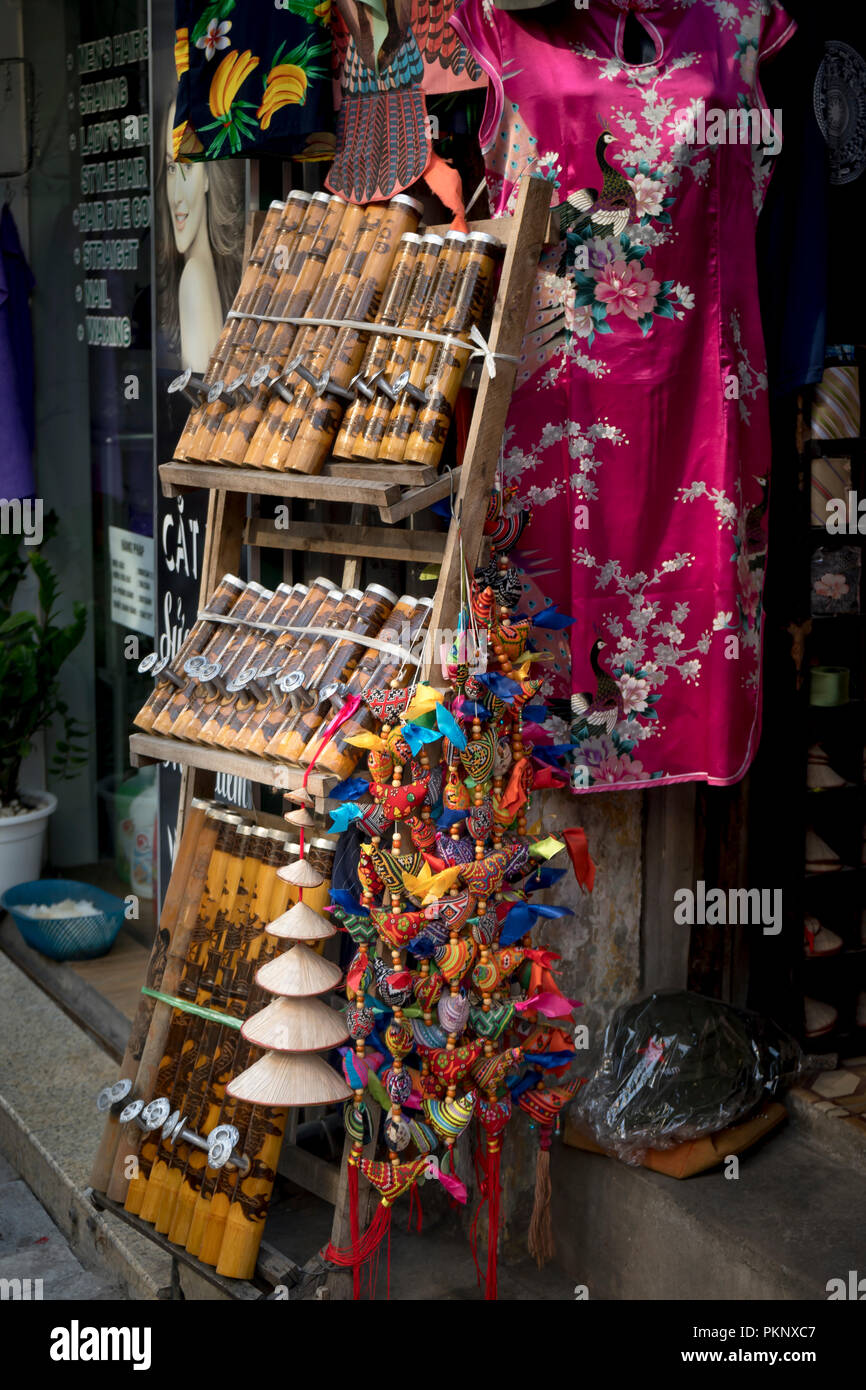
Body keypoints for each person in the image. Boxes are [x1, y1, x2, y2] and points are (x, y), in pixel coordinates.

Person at [155, 99, 244, 371]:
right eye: (171, 168)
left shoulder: (193, 278)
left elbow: (198, 406)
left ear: (208, 176)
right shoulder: (211, 273)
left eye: (189, 166)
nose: (176, 197)